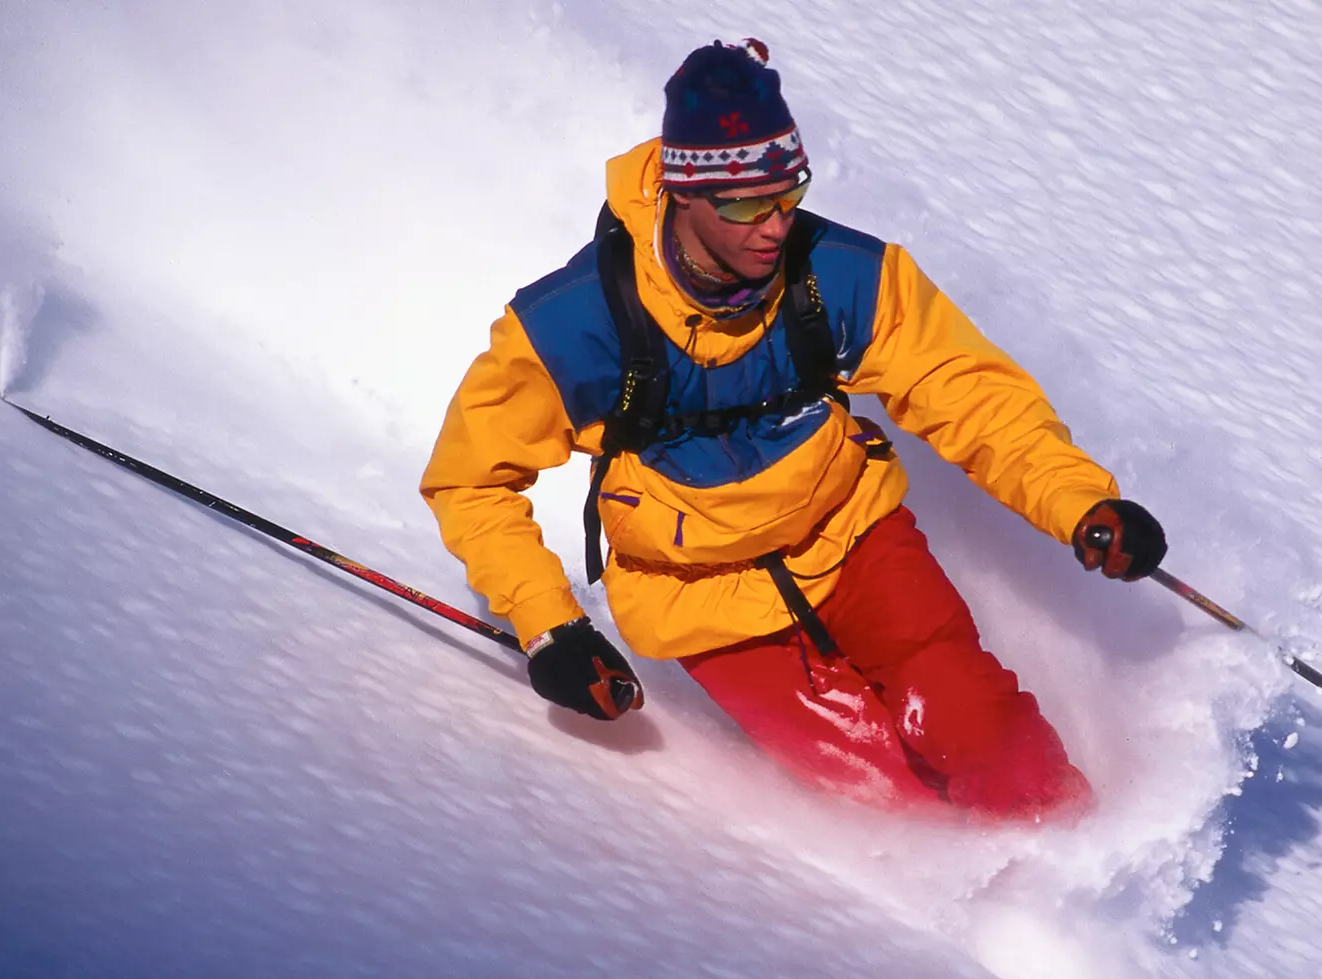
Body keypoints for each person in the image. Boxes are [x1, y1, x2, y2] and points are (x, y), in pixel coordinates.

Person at [421, 39, 1167, 818]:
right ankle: (988, 922)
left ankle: (1087, 869)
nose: (775, 225)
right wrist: (550, 627)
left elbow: (967, 393)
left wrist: (1080, 501)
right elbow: (470, 483)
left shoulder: (841, 273)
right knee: (883, 795)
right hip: (696, 596)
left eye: (789, 193)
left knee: (989, 736)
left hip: (856, 537)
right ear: (683, 193)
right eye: (745, 205)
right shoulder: (573, 325)